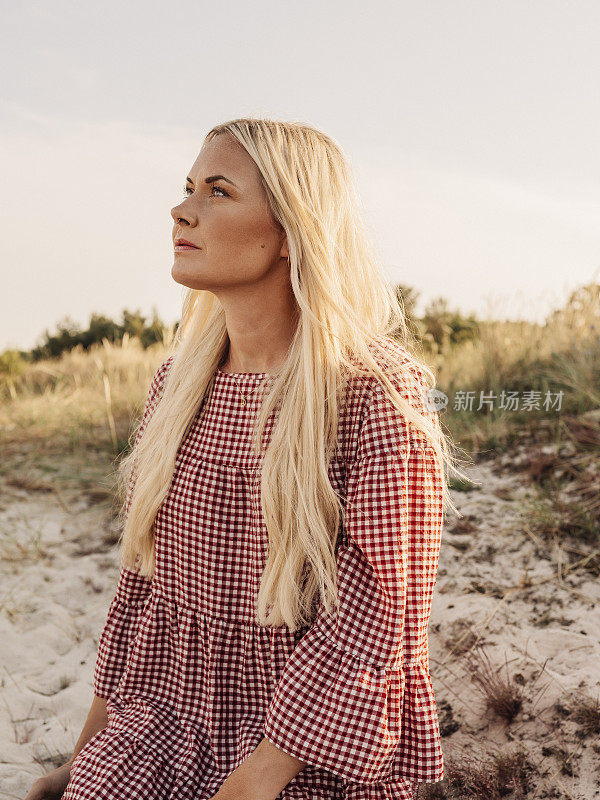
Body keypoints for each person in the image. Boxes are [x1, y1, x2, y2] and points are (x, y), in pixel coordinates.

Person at [26, 118, 462, 800]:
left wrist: (255, 780)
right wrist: (81, 761)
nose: (181, 209)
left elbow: (377, 618)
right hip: (165, 723)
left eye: (219, 191)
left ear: (290, 231)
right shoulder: (177, 385)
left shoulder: (374, 393)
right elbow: (145, 592)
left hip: (303, 745)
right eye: (188, 188)